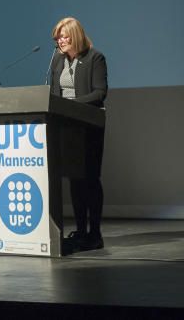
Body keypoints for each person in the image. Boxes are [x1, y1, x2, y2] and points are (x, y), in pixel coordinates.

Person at [47, 16, 108, 252]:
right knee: (74, 178)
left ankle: (95, 234)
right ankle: (81, 231)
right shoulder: (57, 61)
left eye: (63, 36)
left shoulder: (94, 58)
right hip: (66, 126)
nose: (60, 41)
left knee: (89, 178)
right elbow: (53, 94)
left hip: (89, 125)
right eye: (57, 37)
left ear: (75, 36)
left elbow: (99, 93)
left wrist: (70, 104)